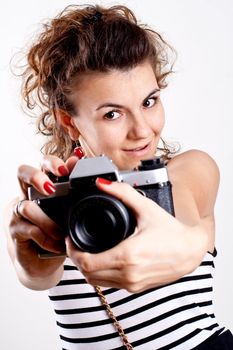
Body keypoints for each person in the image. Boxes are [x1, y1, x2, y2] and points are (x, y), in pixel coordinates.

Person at [4, 4, 233, 350]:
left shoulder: (188, 170)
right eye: (113, 114)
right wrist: (32, 247)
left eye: (149, 101)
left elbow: (185, 236)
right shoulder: (46, 202)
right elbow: (36, 276)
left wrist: (191, 246)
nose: (142, 130)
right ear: (69, 121)